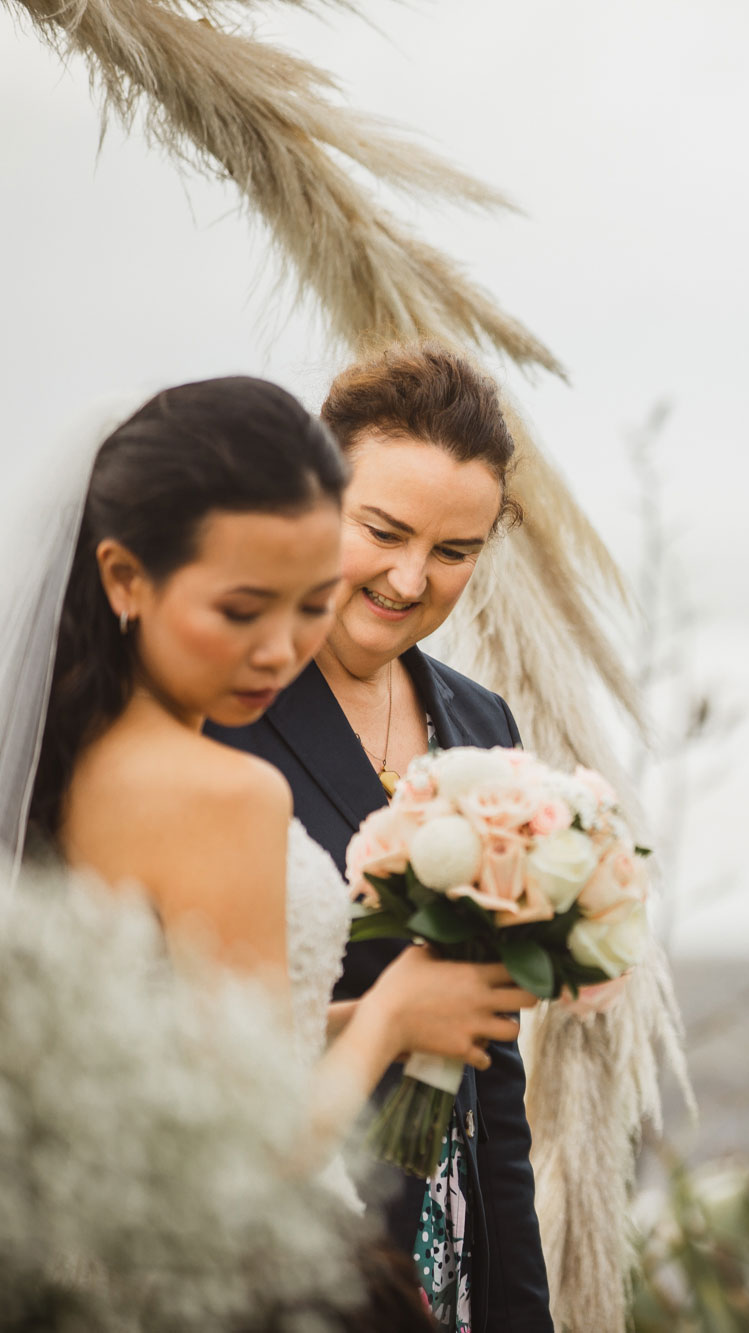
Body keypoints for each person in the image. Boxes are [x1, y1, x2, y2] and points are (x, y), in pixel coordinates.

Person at [13, 376, 535, 1198]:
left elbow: (181, 1050)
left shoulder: (79, 754)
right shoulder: (225, 783)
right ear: (124, 578)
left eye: (305, 606)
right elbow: (245, 1153)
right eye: (243, 608)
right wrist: (392, 1015)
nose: (278, 650)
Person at [211, 344, 552, 1333]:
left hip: (454, 1249)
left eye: (455, 551)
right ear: (314, 497)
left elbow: (497, 1077)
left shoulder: (480, 721)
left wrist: (520, 1311)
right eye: (383, 530)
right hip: (285, 1248)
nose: (411, 577)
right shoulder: (222, 711)